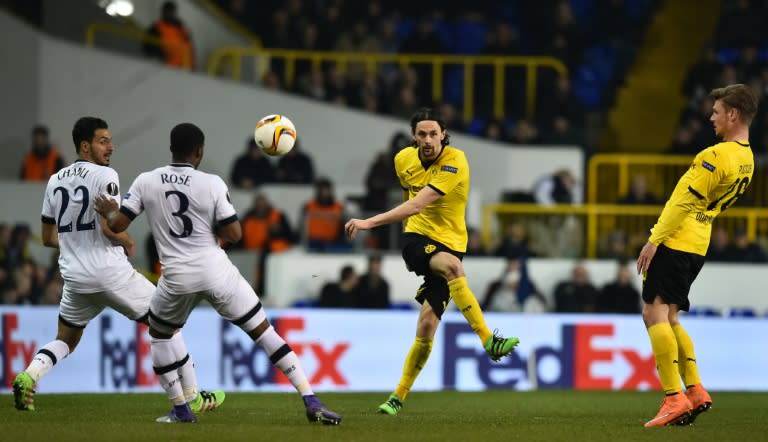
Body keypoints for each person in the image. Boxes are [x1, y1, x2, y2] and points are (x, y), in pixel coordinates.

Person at [94, 122, 340, 425]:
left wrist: (107, 211)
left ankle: (182, 409)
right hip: (216, 271)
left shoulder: (146, 181)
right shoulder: (211, 183)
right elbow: (235, 234)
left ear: (171, 149)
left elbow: (117, 226)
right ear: (200, 151)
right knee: (264, 332)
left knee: (159, 336)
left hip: (177, 277)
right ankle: (310, 399)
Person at [12, 117, 221, 415]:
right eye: (103, 141)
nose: (111, 146)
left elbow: (48, 238)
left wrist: (77, 243)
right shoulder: (105, 175)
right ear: (85, 146)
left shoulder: (54, 180)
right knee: (168, 325)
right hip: (111, 273)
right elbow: (109, 226)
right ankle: (191, 397)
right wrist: (126, 240)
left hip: (75, 279)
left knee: (66, 340)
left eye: (110, 140)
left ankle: (28, 376)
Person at [344, 108, 520, 415]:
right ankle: (489, 341)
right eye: (421, 134)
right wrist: (375, 225)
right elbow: (409, 205)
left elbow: (416, 202)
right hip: (417, 241)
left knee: (426, 327)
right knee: (453, 268)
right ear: (414, 136)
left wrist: (368, 222)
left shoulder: (455, 160)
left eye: (433, 134)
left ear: (443, 136)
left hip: (453, 243)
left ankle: (397, 397)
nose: (427, 140)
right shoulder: (403, 160)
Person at [636, 84, 757, 427]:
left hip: (677, 240)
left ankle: (674, 397)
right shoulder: (748, 160)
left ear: (733, 115)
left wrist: (654, 240)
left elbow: (682, 202)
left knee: (653, 314)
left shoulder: (715, 156)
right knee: (671, 318)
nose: (711, 117)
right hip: (699, 244)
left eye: (717, 112)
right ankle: (696, 390)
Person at [143, 1, 195, 69]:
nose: (169, 14)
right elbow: (147, 46)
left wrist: (193, 65)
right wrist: (161, 55)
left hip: (184, 67)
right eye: (167, 11)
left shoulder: (182, 28)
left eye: (171, 11)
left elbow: (189, 47)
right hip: (166, 67)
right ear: (163, 12)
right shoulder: (156, 28)